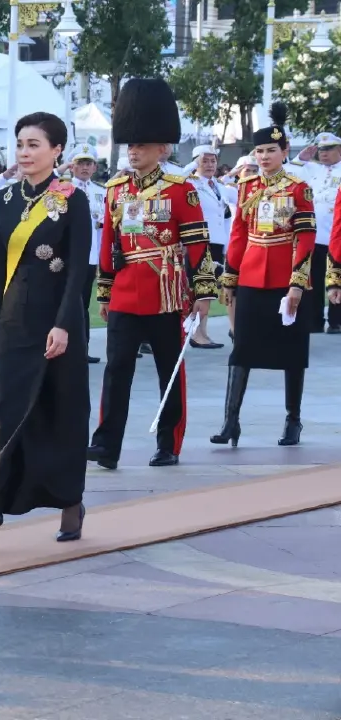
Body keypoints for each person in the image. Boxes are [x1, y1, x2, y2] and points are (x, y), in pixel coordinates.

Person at [0, 111, 90, 545]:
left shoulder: (73, 197)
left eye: (34, 145)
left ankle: (71, 504)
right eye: (20, 144)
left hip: (59, 324)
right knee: (4, 415)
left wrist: (65, 325)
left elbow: (77, 272)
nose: (24, 152)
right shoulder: (3, 199)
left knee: (62, 412)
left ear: (57, 151)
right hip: (15, 323)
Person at [87, 78, 216, 470]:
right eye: (131, 145)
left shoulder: (181, 189)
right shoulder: (116, 189)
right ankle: (106, 445)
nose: (134, 152)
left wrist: (204, 290)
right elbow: (110, 244)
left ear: (162, 148)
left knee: (169, 374)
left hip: (167, 293)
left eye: (141, 146)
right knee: (116, 373)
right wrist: (105, 292)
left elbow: (197, 242)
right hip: (127, 293)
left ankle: (168, 443)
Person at [214, 103, 314, 448]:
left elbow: (305, 237)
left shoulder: (299, 187)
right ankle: (231, 421)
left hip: (287, 278)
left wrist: (298, 283)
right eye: (259, 151)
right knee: (241, 348)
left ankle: (293, 420)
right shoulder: (248, 186)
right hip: (252, 276)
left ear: (285, 151)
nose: (265, 156)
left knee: (292, 351)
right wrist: (230, 275)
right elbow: (239, 232)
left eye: (271, 150)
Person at [289, 132, 341, 333]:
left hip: (336, 233)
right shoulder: (312, 169)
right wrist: (301, 158)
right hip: (316, 234)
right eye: (321, 150)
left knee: (337, 277)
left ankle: (336, 320)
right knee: (314, 278)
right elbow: (288, 173)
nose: (323, 154)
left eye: (328, 150)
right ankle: (315, 320)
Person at [184, 144, 235, 349]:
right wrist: (191, 165)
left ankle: (202, 331)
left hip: (216, 241)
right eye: (204, 161)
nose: (209, 165)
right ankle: (195, 333)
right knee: (198, 287)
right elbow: (176, 178)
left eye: (213, 160)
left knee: (209, 287)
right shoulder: (190, 182)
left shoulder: (218, 185)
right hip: (198, 241)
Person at [62, 144, 107, 364]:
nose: (85, 168)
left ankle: (81, 347)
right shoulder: (63, 188)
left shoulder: (100, 192)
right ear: (72, 166)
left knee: (83, 304)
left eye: (89, 163)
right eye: (80, 163)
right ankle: (62, 347)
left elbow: (104, 227)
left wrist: (101, 259)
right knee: (65, 302)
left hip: (90, 256)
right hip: (67, 256)